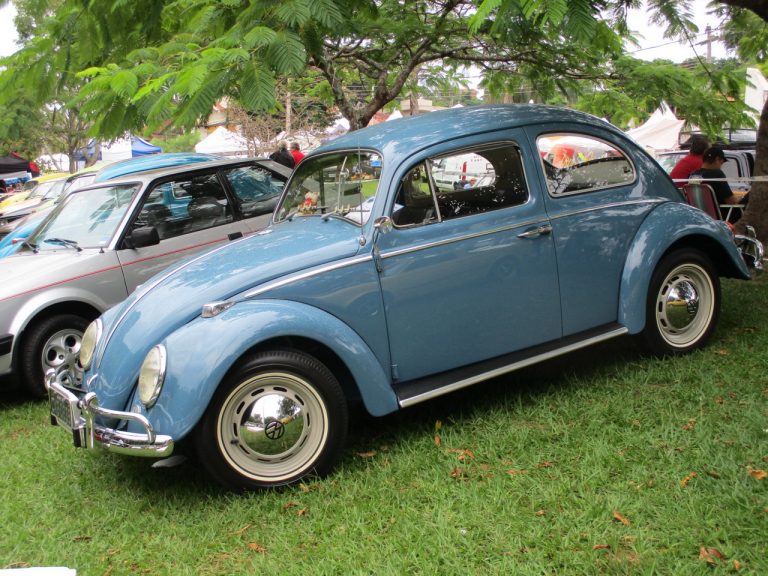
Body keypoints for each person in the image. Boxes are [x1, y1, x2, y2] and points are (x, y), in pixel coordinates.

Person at [690, 146, 746, 223]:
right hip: (722, 216)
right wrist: (741, 198)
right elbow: (731, 201)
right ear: (717, 159)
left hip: (700, 216)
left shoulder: (693, 175)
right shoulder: (717, 174)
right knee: (749, 197)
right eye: (721, 163)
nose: (721, 166)